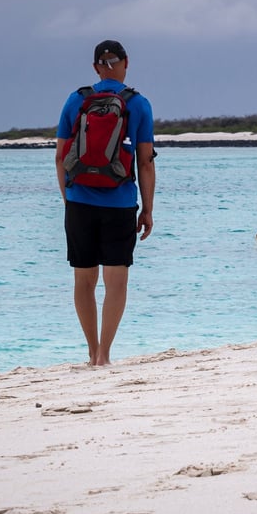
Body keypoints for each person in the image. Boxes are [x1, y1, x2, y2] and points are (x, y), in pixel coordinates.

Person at [55, 39, 156, 366]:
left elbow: (60, 157)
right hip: (121, 202)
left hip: (79, 202)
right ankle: (104, 355)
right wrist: (148, 209)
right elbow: (145, 162)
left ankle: (90, 350)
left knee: (84, 281)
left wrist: (68, 199)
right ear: (126, 63)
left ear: (96, 67)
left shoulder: (77, 100)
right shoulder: (138, 104)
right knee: (116, 280)